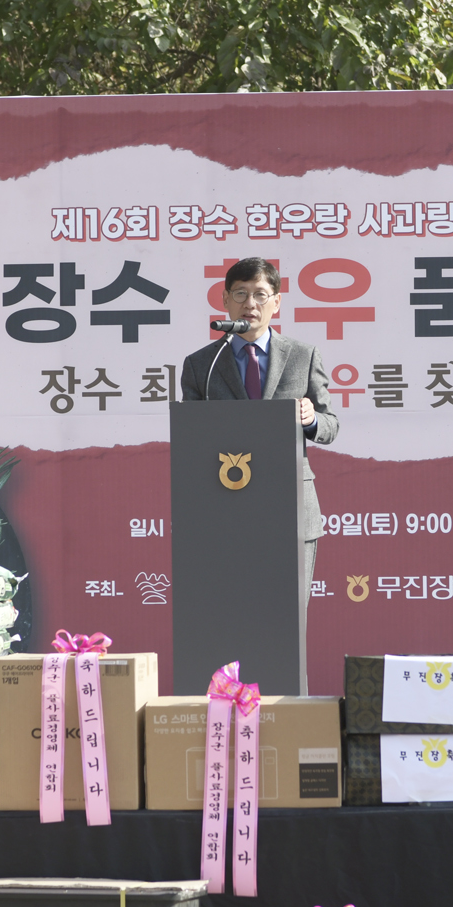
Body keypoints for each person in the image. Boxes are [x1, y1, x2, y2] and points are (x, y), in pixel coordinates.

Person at [180, 257, 338, 692]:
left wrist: (310, 419)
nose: (250, 303)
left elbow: (331, 426)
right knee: (226, 621)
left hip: (289, 513)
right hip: (224, 512)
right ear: (225, 301)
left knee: (286, 627)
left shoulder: (303, 356)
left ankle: (290, 719)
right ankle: (222, 718)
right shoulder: (202, 365)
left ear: (276, 303)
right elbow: (192, 438)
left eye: (260, 295)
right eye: (241, 294)